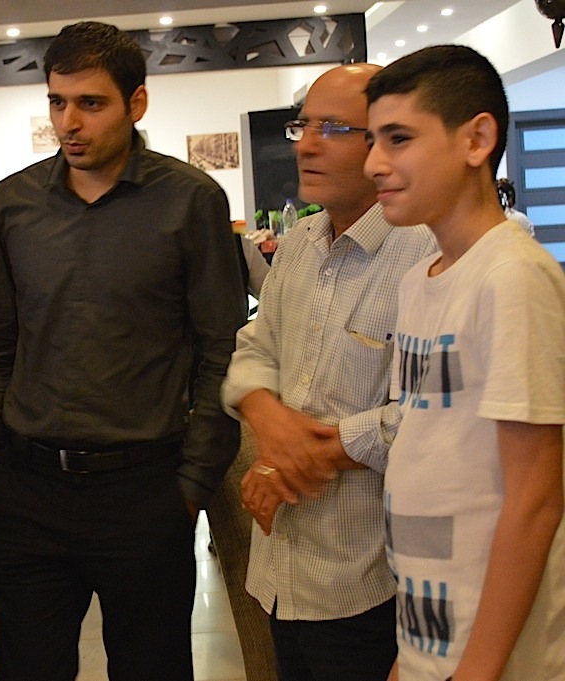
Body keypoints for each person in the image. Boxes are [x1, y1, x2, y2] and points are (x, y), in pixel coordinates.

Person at [0, 21, 247, 681]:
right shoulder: (16, 201)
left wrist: (193, 483)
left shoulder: (191, 200)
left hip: (144, 490)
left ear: (135, 103)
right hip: (27, 488)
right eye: (57, 102)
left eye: (90, 103)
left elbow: (224, 348)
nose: (69, 123)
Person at [222, 64, 436, 681]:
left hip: (374, 577)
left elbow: (433, 416)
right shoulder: (300, 244)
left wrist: (305, 452)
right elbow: (253, 349)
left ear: (387, 141)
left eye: (333, 128)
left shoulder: (425, 252)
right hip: (283, 564)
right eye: (303, 126)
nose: (306, 145)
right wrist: (271, 423)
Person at [365, 44, 565, 681]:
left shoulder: (512, 276)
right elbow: (433, 460)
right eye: (372, 140)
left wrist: (476, 669)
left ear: (477, 139)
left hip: (499, 657)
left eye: (399, 139)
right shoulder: (419, 280)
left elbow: (536, 497)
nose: (374, 163)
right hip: (431, 640)